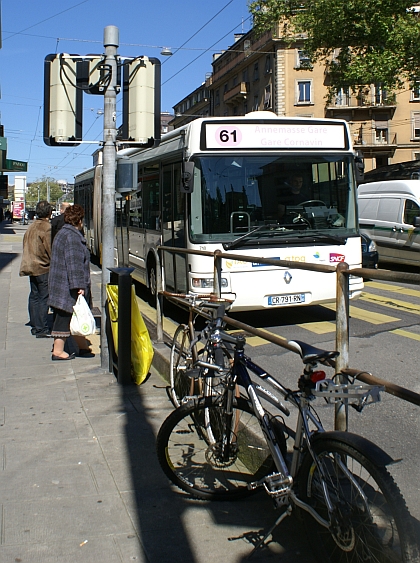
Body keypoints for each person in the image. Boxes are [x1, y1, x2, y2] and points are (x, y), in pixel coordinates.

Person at [48, 204, 93, 360]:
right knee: (64, 316)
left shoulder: (63, 233)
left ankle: (82, 346)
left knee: (75, 315)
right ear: (79, 220)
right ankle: (58, 351)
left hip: (59, 282)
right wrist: (79, 286)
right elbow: (74, 264)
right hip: (66, 285)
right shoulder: (72, 237)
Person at [19, 200, 53, 337]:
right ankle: (41, 328)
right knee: (43, 297)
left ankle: (34, 324)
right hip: (42, 266)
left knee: (34, 296)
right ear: (49, 213)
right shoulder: (46, 228)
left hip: (30, 265)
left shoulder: (32, 227)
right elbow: (50, 248)